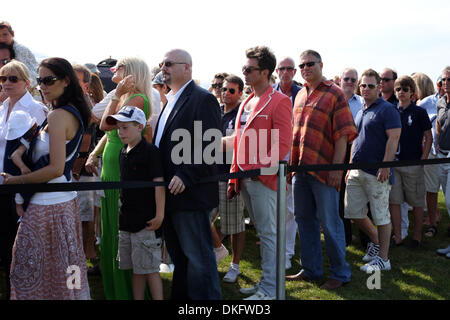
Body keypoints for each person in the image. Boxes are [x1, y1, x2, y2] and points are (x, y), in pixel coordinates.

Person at [2, 57, 91, 299]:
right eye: (40, 80)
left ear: (65, 81)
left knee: (27, 270)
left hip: (48, 205)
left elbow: (55, 168)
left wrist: (15, 180)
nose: (42, 85)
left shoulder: (58, 115)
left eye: (48, 80)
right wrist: (20, 156)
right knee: (66, 269)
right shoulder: (61, 112)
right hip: (61, 204)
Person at [287, 49, 357, 290]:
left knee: (330, 223)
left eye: (310, 64)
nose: (306, 68)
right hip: (300, 170)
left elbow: (343, 135)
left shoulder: (334, 93)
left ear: (321, 65)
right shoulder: (299, 95)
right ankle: (311, 269)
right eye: (302, 65)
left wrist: (337, 168)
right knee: (304, 220)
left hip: (325, 170)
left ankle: (341, 273)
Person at [154, 49, 221, 300]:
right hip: (170, 194)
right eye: (162, 64)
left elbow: (210, 145)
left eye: (169, 63)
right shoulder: (169, 99)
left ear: (188, 68)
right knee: (180, 258)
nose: (164, 68)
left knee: (199, 259)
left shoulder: (202, 99)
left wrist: (186, 175)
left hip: (190, 193)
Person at [227, 46, 292, 300]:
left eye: (249, 69)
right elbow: (238, 140)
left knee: (269, 235)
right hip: (246, 180)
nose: (244, 72)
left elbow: (283, 144)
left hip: (264, 180)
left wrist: (259, 168)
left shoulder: (281, 101)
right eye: (243, 67)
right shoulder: (247, 101)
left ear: (266, 72)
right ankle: (267, 283)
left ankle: (271, 290)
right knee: (264, 235)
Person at [85, 57, 153, 300]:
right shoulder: (126, 97)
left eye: (120, 67)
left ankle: (124, 290)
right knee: (110, 222)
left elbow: (105, 125)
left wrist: (115, 95)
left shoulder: (136, 99)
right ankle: (115, 286)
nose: (114, 70)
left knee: (118, 225)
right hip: (111, 162)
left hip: (121, 166)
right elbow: (110, 133)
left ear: (132, 73)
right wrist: (94, 153)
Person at [105, 106, 165, 300]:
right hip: (127, 220)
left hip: (146, 221)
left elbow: (159, 184)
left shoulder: (150, 151)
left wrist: (160, 214)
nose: (120, 132)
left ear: (140, 127)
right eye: (119, 128)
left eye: (125, 127)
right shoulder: (123, 151)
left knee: (150, 269)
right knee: (136, 268)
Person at [344, 69, 401, 272]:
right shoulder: (360, 110)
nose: (365, 88)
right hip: (356, 171)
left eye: (370, 85)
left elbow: (394, 138)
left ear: (379, 87)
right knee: (353, 212)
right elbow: (355, 141)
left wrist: (385, 165)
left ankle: (383, 260)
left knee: (381, 216)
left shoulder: (387, 109)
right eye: (363, 85)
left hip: (378, 172)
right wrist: (350, 167)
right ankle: (376, 243)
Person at [0, 60, 47, 299]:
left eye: (13, 79)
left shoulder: (36, 109)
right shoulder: (2, 107)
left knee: (19, 246)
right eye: (3, 79)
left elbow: (37, 152)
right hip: (2, 183)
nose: (7, 83)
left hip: (23, 185)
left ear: (27, 83)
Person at [389, 76, 432, 248]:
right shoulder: (391, 110)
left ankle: (417, 237)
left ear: (412, 92)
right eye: (398, 89)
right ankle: (398, 236)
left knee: (417, 202)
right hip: (394, 164)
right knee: (395, 201)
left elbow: (428, 137)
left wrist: (423, 159)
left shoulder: (419, 112)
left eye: (405, 89)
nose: (401, 92)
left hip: (414, 163)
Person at [214, 74, 246, 283]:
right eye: (222, 88)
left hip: (232, 174)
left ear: (240, 93)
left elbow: (239, 141)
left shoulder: (242, 113)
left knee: (234, 224)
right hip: (213, 174)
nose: (225, 93)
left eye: (231, 90)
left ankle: (235, 264)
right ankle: (218, 250)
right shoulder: (216, 112)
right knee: (202, 217)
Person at [274, 56, 302, 268]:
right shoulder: (269, 93)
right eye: (281, 68)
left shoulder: (302, 93)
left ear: (294, 72)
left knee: (289, 207)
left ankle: (287, 252)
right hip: (270, 154)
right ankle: (273, 246)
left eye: (289, 68)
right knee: (271, 205)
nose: (285, 72)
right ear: (276, 70)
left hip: (293, 155)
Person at [339, 68, 365, 247]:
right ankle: (345, 237)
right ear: (340, 80)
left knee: (359, 195)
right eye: (346, 79)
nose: (349, 82)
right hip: (337, 153)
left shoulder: (362, 103)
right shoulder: (333, 101)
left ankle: (366, 239)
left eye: (353, 80)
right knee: (339, 196)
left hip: (356, 152)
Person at [418, 76, 445, 237]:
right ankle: (432, 222)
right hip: (431, 152)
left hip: (447, 153)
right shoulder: (426, 103)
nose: (445, 85)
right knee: (431, 188)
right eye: (442, 82)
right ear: (437, 84)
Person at [436, 66, 450, 258]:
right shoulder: (440, 102)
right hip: (441, 156)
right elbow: (438, 125)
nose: (446, 83)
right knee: (447, 203)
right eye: (444, 79)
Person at [0, 21, 38, 88]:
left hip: (25, 89)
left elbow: (33, 75)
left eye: (5, 34)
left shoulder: (20, 50)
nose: (2, 38)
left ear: (12, 34)